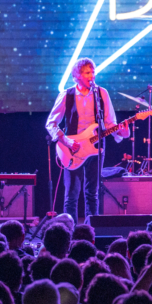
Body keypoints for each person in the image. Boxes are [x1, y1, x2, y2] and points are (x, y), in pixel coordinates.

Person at [46, 57, 129, 219]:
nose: (91, 76)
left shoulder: (101, 93)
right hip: (72, 149)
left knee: (92, 193)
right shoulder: (66, 95)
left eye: (93, 72)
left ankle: (92, 232)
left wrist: (122, 133)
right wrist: (67, 141)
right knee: (71, 195)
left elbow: (110, 123)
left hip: (96, 149)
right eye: (87, 73)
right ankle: (70, 233)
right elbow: (51, 123)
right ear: (77, 75)